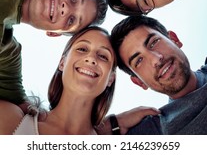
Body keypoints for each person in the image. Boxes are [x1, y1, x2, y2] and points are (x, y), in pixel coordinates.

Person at [0, 26, 159, 135]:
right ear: (62, 63)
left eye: (103, 56)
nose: (91, 59)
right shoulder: (10, 119)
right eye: (82, 49)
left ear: (110, 79)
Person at [106, 15, 207, 134]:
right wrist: (112, 124)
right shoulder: (153, 132)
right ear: (139, 82)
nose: (155, 59)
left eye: (154, 43)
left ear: (174, 39)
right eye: (139, 60)